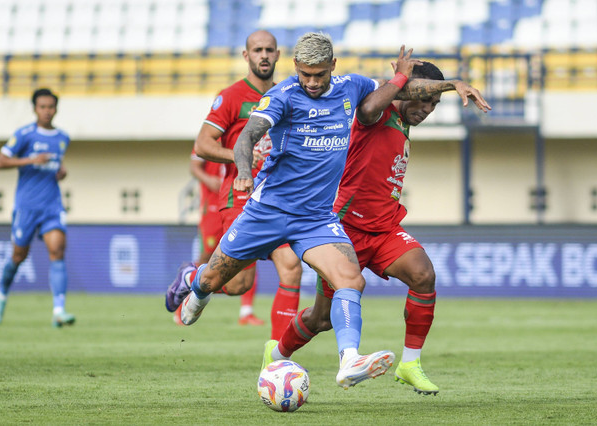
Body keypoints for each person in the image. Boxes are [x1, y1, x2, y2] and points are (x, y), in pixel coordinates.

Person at [176, 33, 433, 389]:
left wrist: (444, 83)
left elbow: (395, 94)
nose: (312, 83)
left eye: (319, 75)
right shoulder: (281, 96)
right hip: (266, 211)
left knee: (350, 280)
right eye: (305, 74)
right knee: (216, 280)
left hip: (315, 218)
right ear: (295, 67)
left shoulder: (352, 87)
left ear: (333, 67)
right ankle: (194, 284)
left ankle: (349, 360)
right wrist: (245, 173)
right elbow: (246, 138)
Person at [261, 61, 491, 394]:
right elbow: (367, 109)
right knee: (321, 319)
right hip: (343, 229)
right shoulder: (379, 110)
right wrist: (450, 83)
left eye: (434, 105)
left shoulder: (403, 120)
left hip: (383, 229)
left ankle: (410, 363)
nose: (427, 109)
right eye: (424, 99)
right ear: (406, 90)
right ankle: (277, 353)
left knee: (423, 274)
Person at [166, 30, 302, 340]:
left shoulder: (286, 94)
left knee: (291, 266)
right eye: (257, 50)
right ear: (246, 56)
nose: (264, 55)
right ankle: (191, 276)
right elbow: (202, 145)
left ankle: (278, 356)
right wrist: (239, 155)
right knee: (238, 283)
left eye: (269, 49)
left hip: (278, 198)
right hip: (240, 196)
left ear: (279, 55)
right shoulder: (231, 97)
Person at [0, 88, 75, 328]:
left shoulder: (62, 137)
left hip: (52, 204)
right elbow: (0, 161)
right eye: (42, 107)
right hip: (26, 206)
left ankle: (59, 310)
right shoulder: (24, 135)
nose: (47, 111)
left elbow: (57, 165)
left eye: (51, 107)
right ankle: (1, 297)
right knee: (18, 256)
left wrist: (62, 172)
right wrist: (31, 160)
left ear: (56, 109)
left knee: (57, 250)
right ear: (34, 109)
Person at [181, 150, 264, 326]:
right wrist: (208, 179)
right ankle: (187, 286)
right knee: (207, 257)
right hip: (212, 205)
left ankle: (246, 311)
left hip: (240, 202)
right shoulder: (211, 136)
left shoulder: (252, 134)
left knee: (248, 255)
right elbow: (194, 167)